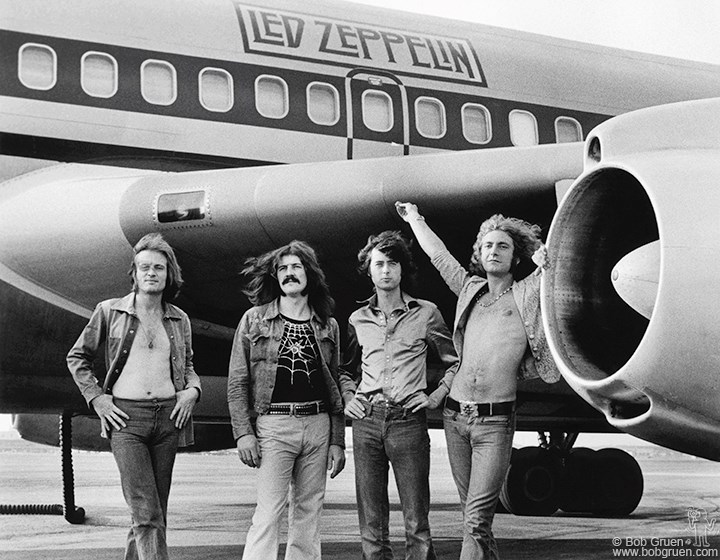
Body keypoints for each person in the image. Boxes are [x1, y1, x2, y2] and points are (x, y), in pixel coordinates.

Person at [395, 202, 560, 560]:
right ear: (479, 254)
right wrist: (415, 219)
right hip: (455, 418)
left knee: (475, 520)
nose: (494, 251)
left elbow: (554, 270)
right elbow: (439, 257)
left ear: (516, 257)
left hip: (494, 422)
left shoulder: (528, 292)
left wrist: (548, 259)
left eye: (503, 246)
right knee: (474, 520)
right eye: (487, 245)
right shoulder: (470, 288)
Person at [67, 233, 201, 560]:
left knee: (153, 513)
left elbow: (189, 366)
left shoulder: (179, 319)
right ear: (135, 273)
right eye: (144, 267)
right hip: (126, 421)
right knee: (147, 512)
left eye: (158, 267)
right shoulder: (109, 311)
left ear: (169, 274)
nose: (151, 273)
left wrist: (192, 392)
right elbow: (77, 357)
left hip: (169, 419)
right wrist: (97, 399)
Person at [340, 230, 458, 560]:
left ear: (402, 269)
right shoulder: (357, 319)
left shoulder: (427, 313)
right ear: (370, 269)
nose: (387, 270)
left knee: (416, 521)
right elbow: (345, 369)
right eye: (379, 264)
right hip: (367, 422)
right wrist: (350, 396)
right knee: (372, 523)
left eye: (393, 263)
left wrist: (435, 396)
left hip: (408, 422)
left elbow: (455, 361)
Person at [227, 240, 347, 560]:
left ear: (309, 274)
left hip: (318, 424)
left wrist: (337, 440)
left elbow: (334, 386)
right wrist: (244, 432)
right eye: (283, 269)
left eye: (296, 267)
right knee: (268, 513)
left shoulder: (327, 325)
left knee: (309, 514)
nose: (289, 273)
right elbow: (238, 382)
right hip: (274, 425)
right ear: (276, 277)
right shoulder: (254, 320)